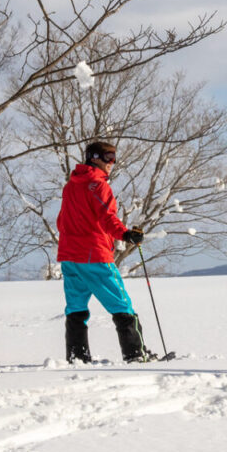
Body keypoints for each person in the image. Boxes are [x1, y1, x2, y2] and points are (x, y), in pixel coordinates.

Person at [56, 140, 156, 363]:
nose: (113, 162)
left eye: (114, 157)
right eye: (108, 157)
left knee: (75, 306)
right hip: (94, 256)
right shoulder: (98, 185)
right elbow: (108, 217)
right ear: (93, 157)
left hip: (70, 257)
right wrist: (126, 234)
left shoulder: (71, 185)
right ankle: (135, 354)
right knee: (121, 304)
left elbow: (61, 220)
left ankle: (77, 355)